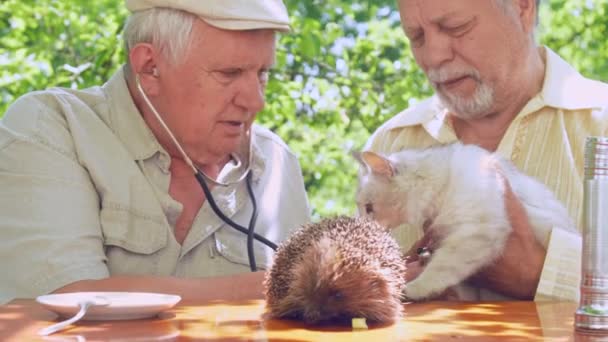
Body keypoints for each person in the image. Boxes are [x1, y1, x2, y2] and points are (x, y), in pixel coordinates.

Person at [0, 0, 311, 304]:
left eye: (263, 74)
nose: (256, 102)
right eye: (229, 73)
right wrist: (287, 287)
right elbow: (63, 305)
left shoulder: (276, 165)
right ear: (149, 68)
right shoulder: (53, 129)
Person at [364, 0, 608, 301]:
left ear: (523, 7)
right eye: (416, 37)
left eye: (456, 26)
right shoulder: (388, 143)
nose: (434, 56)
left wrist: (538, 274)